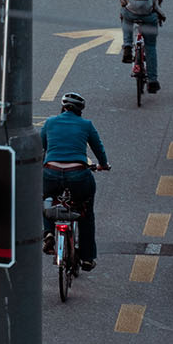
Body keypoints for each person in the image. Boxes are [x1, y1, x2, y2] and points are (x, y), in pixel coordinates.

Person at [40, 92, 109, 272]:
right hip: (78, 174)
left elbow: (41, 147)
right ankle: (87, 258)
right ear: (80, 111)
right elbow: (98, 148)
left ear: (62, 107)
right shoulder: (86, 125)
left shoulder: (50, 122)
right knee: (86, 212)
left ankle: (48, 233)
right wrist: (103, 165)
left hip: (51, 172)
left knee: (45, 199)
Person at [118, 0, 165, 92]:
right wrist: (157, 11)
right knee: (150, 46)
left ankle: (127, 46)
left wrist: (125, 5)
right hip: (149, 15)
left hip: (131, 13)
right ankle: (152, 81)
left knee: (125, 15)